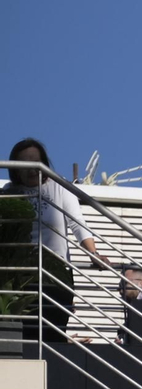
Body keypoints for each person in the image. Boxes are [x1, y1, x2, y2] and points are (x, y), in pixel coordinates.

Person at [4, 138, 97, 340]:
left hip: (57, 274)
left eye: (36, 163)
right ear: (16, 169)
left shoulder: (59, 186)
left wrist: (93, 254)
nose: (32, 170)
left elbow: (77, 222)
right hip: (22, 277)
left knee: (53, 331)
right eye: (25, 164)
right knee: (24, 335)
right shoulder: (8, 193)